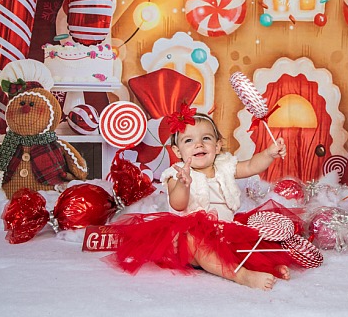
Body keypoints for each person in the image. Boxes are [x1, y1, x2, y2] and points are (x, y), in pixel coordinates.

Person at [105, 105, 294, 290]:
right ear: (178, 152)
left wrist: (269, 154)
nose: (199, 144)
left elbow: (252, 166)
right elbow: (178, 205)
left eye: (206, 138)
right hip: (189, 239)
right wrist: (183, 184)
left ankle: (265, 267)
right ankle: (242, 275)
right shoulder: (176, 174)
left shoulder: (225, 165)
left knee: (249, 240)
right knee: (195, 241)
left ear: (218, 145)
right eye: (188, 141)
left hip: (225, 232)